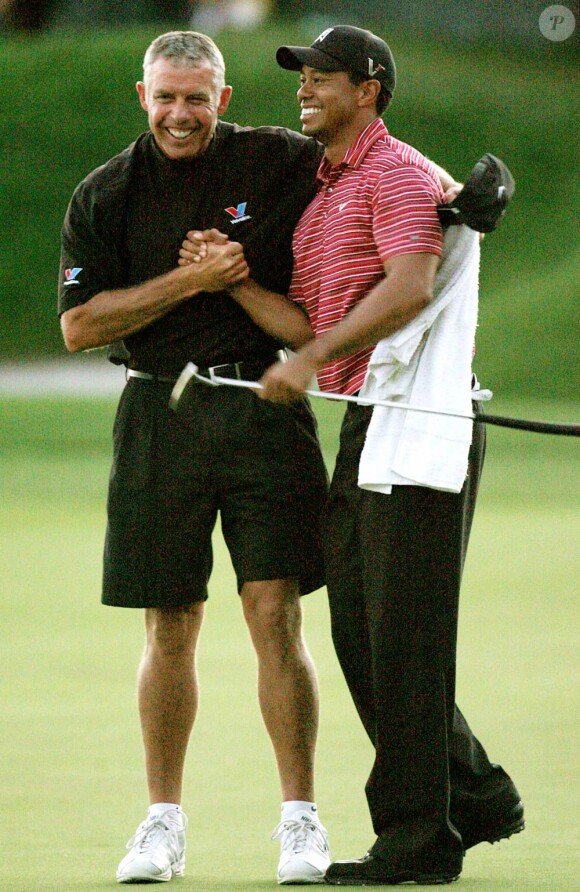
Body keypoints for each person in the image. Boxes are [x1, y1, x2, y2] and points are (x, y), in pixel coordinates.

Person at [58, 30, 332, 886]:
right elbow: (78, 327)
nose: (182, 114)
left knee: (274, 614)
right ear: (142, 96)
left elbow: (376, 157)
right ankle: (162, 825)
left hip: (262, 409)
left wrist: (444, 194)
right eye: (167, 97)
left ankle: (300, 824)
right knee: (169, 623)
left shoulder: (280, 160)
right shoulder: (105, 193)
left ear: (223, 98)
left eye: (198, 98)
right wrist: (192, 280)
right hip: (158, 414)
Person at [257, 25, 525, 886]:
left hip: (421, 418)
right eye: (302, 76)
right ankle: (475, 792)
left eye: (320, 77)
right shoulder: (325, 190)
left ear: (368, 88)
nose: (304, 88)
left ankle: (418, 842)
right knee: (361, 633)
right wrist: (238, 292)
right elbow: (313, 328)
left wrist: (307, 359)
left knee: (403, 639)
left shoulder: (398, 174)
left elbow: (410, 284)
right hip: (365, 422)